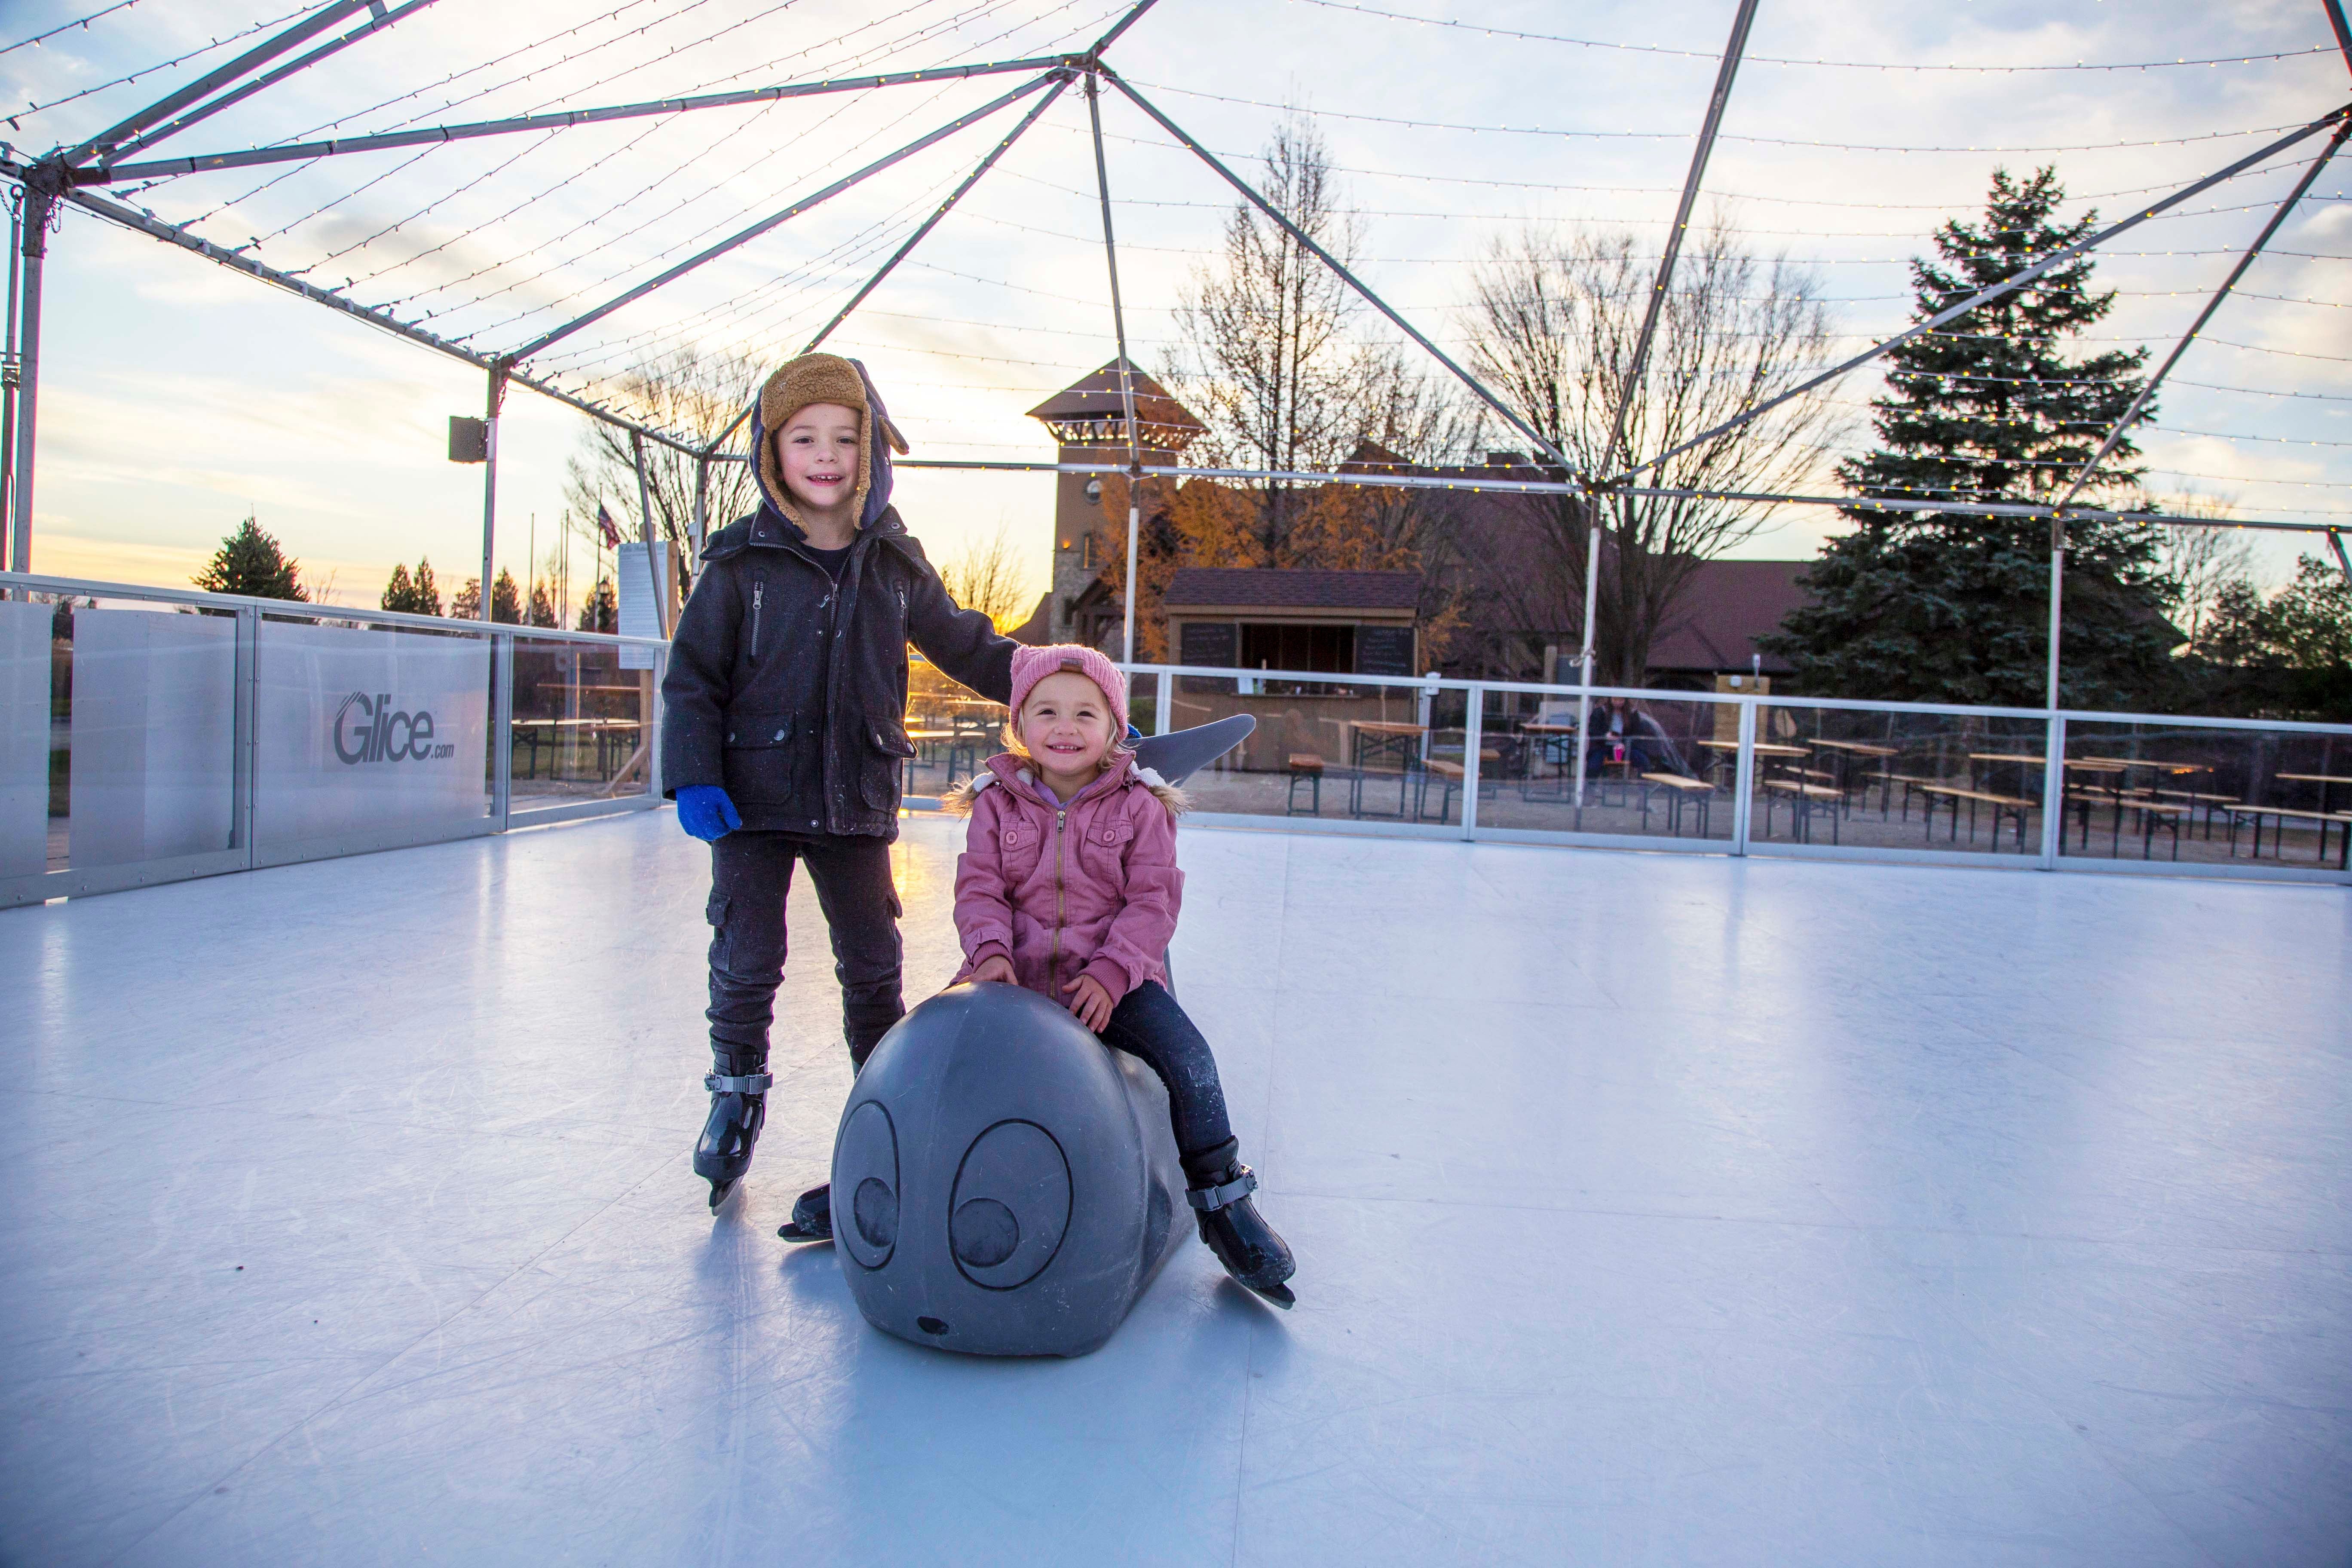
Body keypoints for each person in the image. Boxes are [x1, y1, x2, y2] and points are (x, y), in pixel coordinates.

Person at [660, 352, 1019, 1214]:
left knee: (873, 964)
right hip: (750, 803)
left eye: (846, 438)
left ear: (872, 452)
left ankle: (885, 1113)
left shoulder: (893, 560)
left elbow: (966, 645)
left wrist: (1057, 676)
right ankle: (736, 1094)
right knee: (748, 958)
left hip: (855, 797)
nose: (826, 455)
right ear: (772, 451)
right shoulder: (737, 563)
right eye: (805, 438)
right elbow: (692, 680)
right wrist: (694, 778)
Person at [949, 643, 1297, 1305]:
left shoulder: (1142, 804)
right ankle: (898, 1173)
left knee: (1190, 1058)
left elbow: (1153, 901)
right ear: (1020, 724)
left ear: (1114, 728)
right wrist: (989, 953)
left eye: (1086, 713)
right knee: (929, 1046)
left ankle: (1224, 1203)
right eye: (1047, 711)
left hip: (1112, 979)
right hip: (1010, 976)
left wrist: (1112, 974)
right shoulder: (997, 803)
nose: (1065, 727)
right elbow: (980, 890)